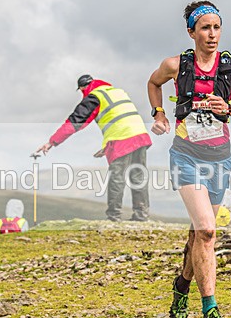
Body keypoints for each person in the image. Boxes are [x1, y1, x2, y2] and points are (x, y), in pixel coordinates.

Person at [147, 0, 231, 318]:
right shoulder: (175, 65)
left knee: (200, 232)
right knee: (208, 230)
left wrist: (230, 107)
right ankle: (210, 310)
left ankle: (182, 284)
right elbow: (153, 84)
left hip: (220, 158)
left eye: (217, 27)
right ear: (191, 32)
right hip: (185, 155)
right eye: (205, 28)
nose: (212, 35)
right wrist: (159, 114)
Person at [35, 75, 152, 222]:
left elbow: (75, 122)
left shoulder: (94, 97)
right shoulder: (116, 91)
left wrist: (52, 142)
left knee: (117, 178)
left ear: (83, 88)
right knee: (138, 176)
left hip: (121, 137)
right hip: (139, 134)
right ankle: (141, 216)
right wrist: (106, 147)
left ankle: (114, 217)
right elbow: (119, 117)